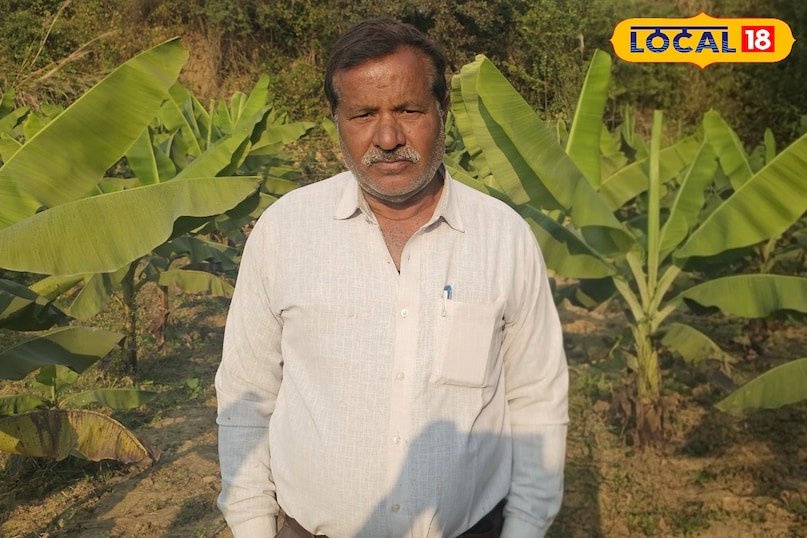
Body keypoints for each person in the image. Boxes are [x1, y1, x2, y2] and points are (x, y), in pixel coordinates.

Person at [215, 17, 568, 538]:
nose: (387, 137)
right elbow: (246, 393)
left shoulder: (503, 237)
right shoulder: (284, 232)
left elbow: (537, 397)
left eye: (408, 110)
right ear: (335, 118)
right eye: (362, 114)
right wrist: (250, 526)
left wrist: (526, 526)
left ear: (441, 110)